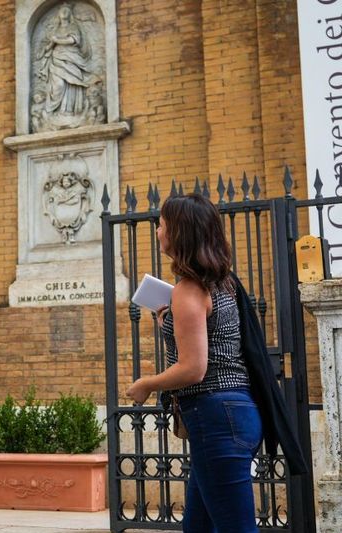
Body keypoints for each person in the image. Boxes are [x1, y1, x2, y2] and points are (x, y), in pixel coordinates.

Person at [125, 193, 262, 533]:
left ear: (179, 233)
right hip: (235, 411)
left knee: (237, 528)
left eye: (162, 225)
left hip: (215, 415)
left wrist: (146, 384)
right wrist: (170, 323)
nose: (158, 231)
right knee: (198, 527)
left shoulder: (188, 290)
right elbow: (215, 342)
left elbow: (194, 368)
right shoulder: (223, 283)